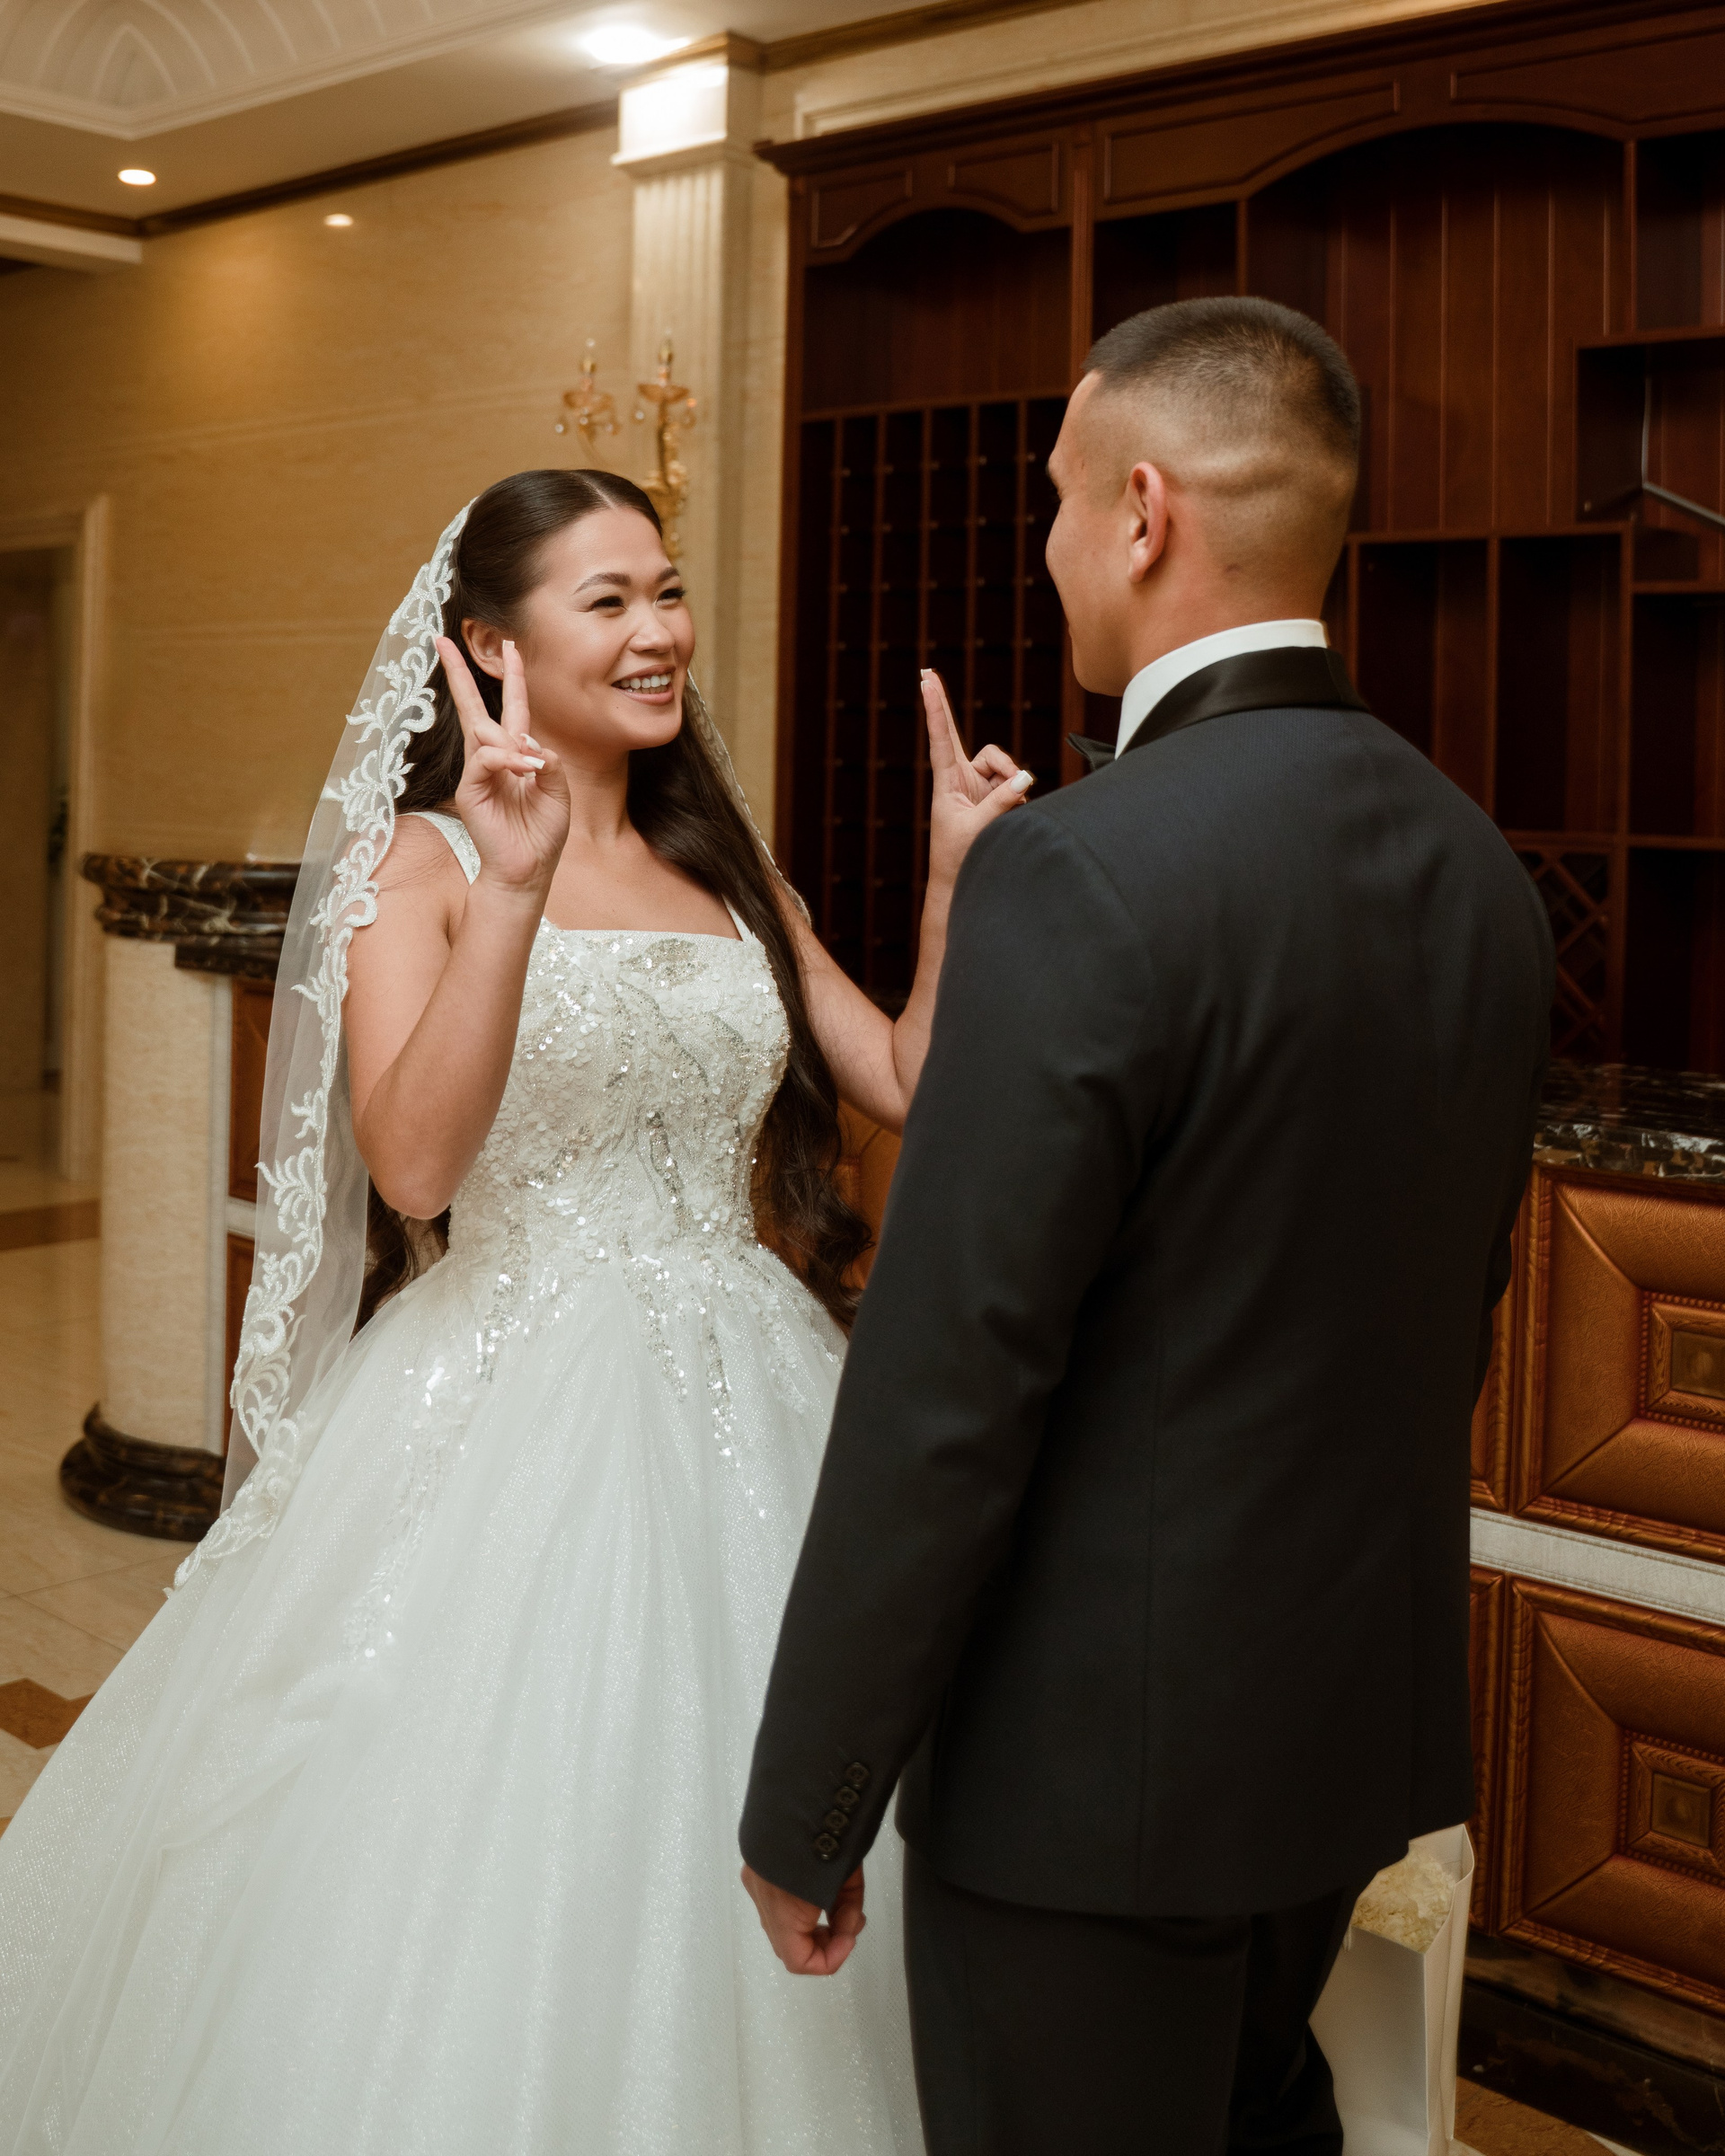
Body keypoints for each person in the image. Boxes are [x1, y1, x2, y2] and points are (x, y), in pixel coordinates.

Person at [0, 468, 1030, 2154]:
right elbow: (415, 1166)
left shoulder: (727, 863)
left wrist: (949, 887)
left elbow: (909, 1077)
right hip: (511, 1394)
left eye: (666, 590)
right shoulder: (420, 865)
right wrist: (517, 889)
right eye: (606, 599)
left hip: (753, 1381)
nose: (659, 630)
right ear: (490, 644)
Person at [739, 297, 1555, 2153]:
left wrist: (813, 1798)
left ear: (1142, 511)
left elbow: (951, 1385)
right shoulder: (1476, 868)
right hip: (1338, 1748)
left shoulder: (1082, 869)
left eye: (1055, 497)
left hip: (1093, 1783)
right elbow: (1443, 1313)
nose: (1043, 544)